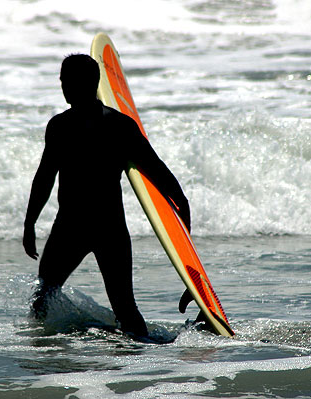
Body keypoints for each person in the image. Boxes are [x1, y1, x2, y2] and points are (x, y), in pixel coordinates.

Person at [23, 54, 190, 338]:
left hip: (78, 227)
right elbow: (157, 170)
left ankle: (47, 351)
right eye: (61, 80)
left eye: (65, 81)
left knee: (45, 298)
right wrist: (183, 209)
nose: (62, 86)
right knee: (120, 308)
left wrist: (30, 223)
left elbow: (45, 178)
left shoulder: (67, 126)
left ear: (83, 83)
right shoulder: (117, 125)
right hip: (101, 227)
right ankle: (143, 355)